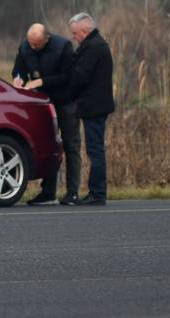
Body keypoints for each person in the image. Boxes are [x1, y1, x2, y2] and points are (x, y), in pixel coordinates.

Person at [11, 23, 81, 206]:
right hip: (42, 103)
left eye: (37, 44)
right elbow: (19, 68)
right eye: (31, 43)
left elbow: (68, 77)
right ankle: (48, 193)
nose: (33, 47)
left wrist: (40, 82)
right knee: (49, 146)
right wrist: (18, 78)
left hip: (66, 101)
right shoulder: (25, 46)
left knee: (71, 145)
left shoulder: (63, 46)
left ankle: (72, 192)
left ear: (47, 38)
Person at [68, 12, 115, 206]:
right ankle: (96, 191)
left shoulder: (93, 48)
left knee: (95, 151)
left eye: (75, 33)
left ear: (85, 31)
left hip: (94, 107)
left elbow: (80, 76)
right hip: (95, 106)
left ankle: (98, 192)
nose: (74, 37)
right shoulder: (95, 45)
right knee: (95, 150)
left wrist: (66, 90)